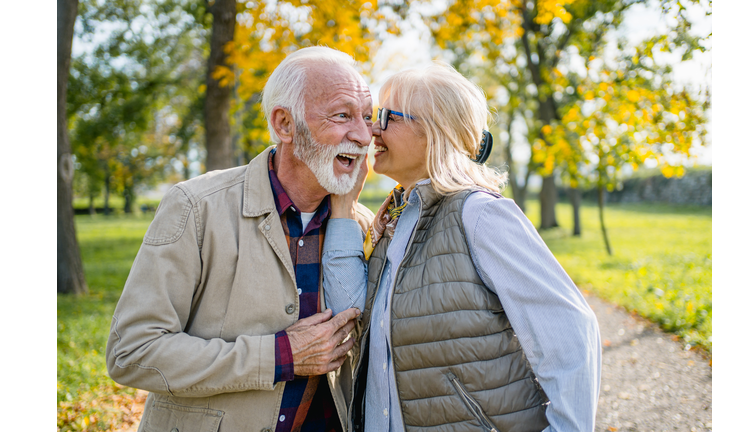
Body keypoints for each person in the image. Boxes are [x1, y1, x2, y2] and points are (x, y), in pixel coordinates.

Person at [106, 46, 376, 432]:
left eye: (368, 117)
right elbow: (133, 351)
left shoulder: (362, 227)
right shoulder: (196, 207)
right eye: (342, 115)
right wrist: (281, 355)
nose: (364, 135)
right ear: (284, 124)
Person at [322, 63, 602, 432]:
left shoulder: (481, 214)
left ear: (434, 131)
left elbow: (570, 333)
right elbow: (349, 317)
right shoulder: (395, 217)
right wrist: (343, 207)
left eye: (388, 117)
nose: (371, 128)